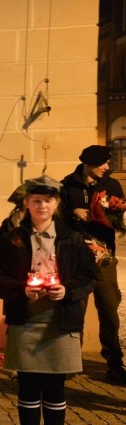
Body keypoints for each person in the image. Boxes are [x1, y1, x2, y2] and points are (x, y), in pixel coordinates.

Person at [0, 175, 96, 425]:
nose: (42, 205)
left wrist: (68, 290)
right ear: (26, 203)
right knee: (27, 387)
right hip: (27, 319)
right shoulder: (14, 238)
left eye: (47, 200)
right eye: (36, 200)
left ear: (56, 204)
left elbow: (88, 276)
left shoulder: (71, 237)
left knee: (54, 388)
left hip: (60, 321)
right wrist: (20, 289)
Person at [59, 144, 126, 383]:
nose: (108, 167)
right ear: (89, 164)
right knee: (75, 309)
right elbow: (55, 221)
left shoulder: (112, 185)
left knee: (109, 309)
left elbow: (121, 221)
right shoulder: (66, 186)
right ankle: (70, 361)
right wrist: (72, 214)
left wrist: (115, 215)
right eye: (103, 163)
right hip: (77, 258)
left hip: (104, 258)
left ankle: (114, 362)